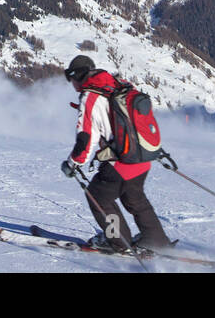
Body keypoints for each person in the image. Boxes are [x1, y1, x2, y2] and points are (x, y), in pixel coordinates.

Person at [61, 54, 171, 252]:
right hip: (142, 157)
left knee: (98, 196)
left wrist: (72, 163)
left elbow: (86, 138)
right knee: (134, 197)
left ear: (77, 76)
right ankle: (156, 240)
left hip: (122, 161)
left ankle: (117, 242)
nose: (72, 85)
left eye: (71, 80)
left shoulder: (90, 96)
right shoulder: (118, 85)